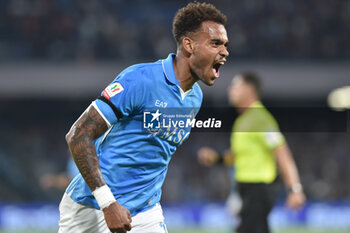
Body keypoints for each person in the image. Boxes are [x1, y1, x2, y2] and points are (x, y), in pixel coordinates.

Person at [58, 2, 229, 233]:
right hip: (91, 208)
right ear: (189, 44)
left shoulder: (195, 98)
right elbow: (78, 134)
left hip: (145, 212)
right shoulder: (140, 80)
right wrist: (108, 203)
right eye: (215, 43)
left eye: (225, 45)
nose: (225, 51)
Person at [198, 72, 306, 233]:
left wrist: (295, 189)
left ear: (248, 89)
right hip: (247, 191)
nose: (230, 89)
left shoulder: (260, 119)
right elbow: (236, 156)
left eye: (235, 86)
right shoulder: (242, 121)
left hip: (259, 191)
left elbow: (282, 152)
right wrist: (216, 159)